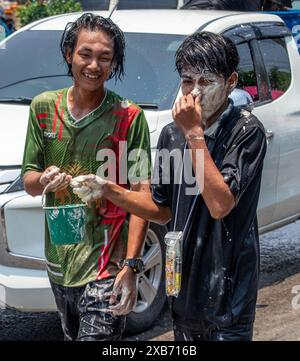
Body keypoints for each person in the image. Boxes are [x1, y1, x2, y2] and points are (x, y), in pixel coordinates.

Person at [73, 31, 267, 341]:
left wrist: (194, 132)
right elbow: (161, 211)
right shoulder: (171, 135)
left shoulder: (245, 131)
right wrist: (109, 190)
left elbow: (220, 205)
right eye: (188, 81)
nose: (194, 93)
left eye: (206, 82)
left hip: (228, 296)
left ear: (231, 81)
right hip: (183, 292)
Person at [21, 13, 151, 341]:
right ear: (69, 55)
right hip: (60, 258)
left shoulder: (129, 117)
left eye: (105, 57)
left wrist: (132, 266)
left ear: (114, 63)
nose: (94, 65)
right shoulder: (42, 108)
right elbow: (29, 182)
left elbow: (142, 197)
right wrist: (44, 179)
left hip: (108, 264)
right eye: (86, 54)